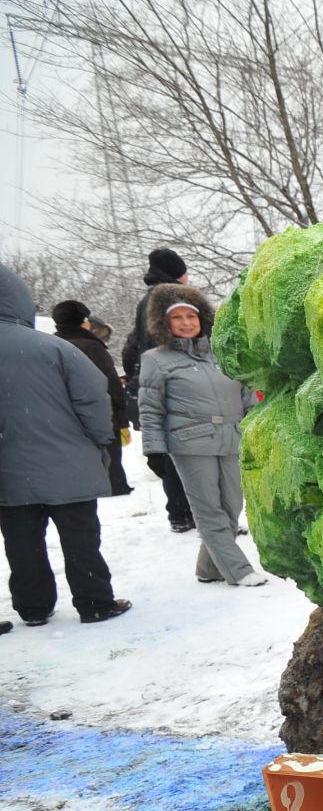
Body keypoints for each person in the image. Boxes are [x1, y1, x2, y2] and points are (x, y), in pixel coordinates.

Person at [0, 263, 132, 626]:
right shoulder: (55, 348)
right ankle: (94, 602)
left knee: (22, 545)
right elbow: (93, 399)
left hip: (8, 474)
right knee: (80, 539)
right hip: (68, 464)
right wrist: (97, 439)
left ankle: (33, 607)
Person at [138, 283, 271, 585]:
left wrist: (256, 430)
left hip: (233, 438)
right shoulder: (156, 360)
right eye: (177, 318)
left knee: (231, 508)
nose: (186, 323)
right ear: (164, 323)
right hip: (191, 444)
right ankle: (239, 571)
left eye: (191, 316)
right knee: (209, 510)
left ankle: (207, 568)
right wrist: (154, 450)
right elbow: (150, 409)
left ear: (202, 319)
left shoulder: (221, 354)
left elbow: (248, 396)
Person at [123, 246, 197, 533]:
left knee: (171, 451)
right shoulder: (172, 298)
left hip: (155, 382)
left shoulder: (147, 300)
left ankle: (180, 513)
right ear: (178, 273)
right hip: (177, 384)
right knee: (186, 451)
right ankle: (190, 513)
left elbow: (132, 348)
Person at [51, 299, 134, 497]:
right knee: (111, 451)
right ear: (83, 321)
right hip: (100, 409)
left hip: (65, 413)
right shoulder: (92, 347)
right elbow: (109, 382)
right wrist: (121, 409)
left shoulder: (52, 346)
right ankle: (116, 486)